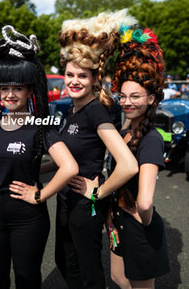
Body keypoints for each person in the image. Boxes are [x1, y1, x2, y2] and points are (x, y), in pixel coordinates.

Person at [0, 25, 79, 289]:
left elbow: (69, 167)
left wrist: (40, 194)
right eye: (3, 87)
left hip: (28, 220)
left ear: (29, 90)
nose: (9, 94)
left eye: (17, 87)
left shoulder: (42, 123)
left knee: (27, 280)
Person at [41, 9, 139, 289]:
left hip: (86, 206)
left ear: (95, 78)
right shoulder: (73, 110)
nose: (74, 80)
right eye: (70, 74)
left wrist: (98, 193)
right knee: (64, 261)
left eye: (82, 76)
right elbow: (68, 159)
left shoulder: (96, 112)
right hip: (65, 201)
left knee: (88, 272)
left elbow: (128, 164)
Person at [72, 26, 170, 288]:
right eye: (123, 95)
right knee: (117, 277)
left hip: (138, 227)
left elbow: (146, 203)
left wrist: (141, 222)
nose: (127, 102)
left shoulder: (151, 139)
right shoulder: (123, 131)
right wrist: (113, 217)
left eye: (136, 96)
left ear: (151, 98)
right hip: (118, 222)